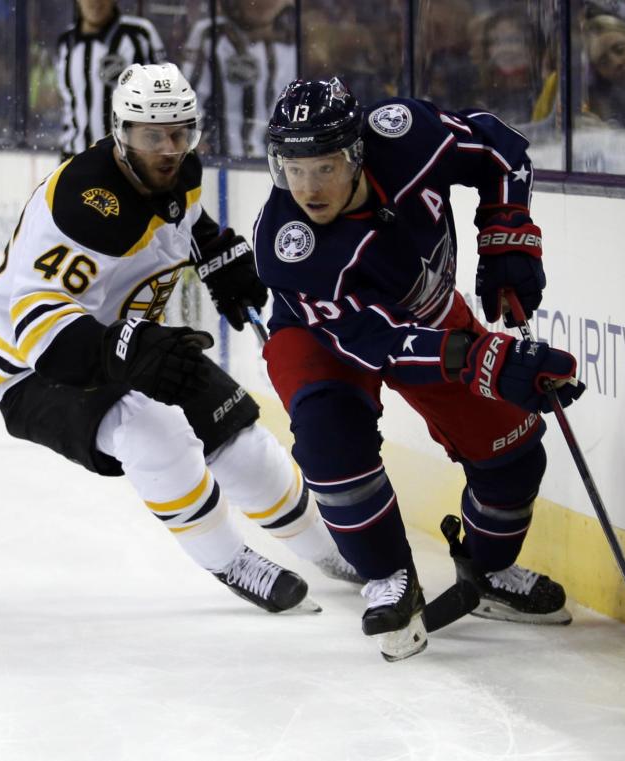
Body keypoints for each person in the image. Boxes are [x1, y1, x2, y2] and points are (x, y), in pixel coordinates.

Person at [0, 62, 359, 615]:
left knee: (236, 430)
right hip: (34, 370)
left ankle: (331, 550)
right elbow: (39, 326)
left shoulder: (180, 170)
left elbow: (186, 219)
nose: (168, 148)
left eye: (181, 132)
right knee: (151, 432)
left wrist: (217, 254)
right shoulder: (83, 206)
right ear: (121, 131)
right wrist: (126, 350)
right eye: (151, 135)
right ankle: (231, 559)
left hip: (126, 341)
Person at [254, 77, 585, 661]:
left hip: (429, 315)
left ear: (357, 151)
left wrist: (508, 239)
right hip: (321, 336)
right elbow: (375, 344)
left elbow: (499, 149)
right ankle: (388, 577)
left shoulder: (405, 134)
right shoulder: (287, 243)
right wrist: (487, 360)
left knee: (514, 455)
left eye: (324, 167)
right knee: (331, 440)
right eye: (293, 168)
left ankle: (486, 572)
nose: (307, 187)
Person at [182, 0, 296, 157]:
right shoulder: (211, 34)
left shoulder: (292, 39)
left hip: (273, 161)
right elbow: (190, 100)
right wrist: (192, 141)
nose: (266, 3)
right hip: (220, 158)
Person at [56, 0, 166, 161]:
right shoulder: (66, 43)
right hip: (75, 159)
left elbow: (166, 95)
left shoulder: (139, 34)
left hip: (128, 162)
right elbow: (69, 106)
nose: (95, 2)